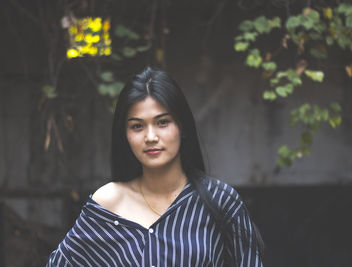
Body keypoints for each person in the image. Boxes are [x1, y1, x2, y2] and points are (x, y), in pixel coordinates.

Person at [46, 67, 264, 266]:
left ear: (182, 126)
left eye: (162, 122)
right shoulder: (109, 202)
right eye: (137, 126)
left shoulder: (220, 201)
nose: (151, 137)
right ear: (125, 134)